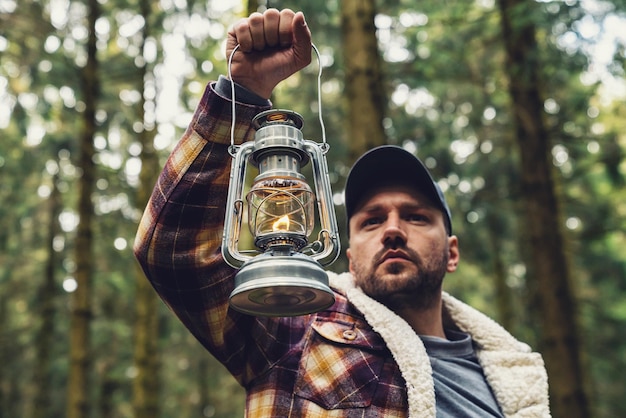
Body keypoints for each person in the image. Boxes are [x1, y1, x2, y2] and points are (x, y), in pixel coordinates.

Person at [134, 8, 550, 418]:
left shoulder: (513, 375)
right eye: (371, 220)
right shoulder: (294, 328)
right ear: (349, 255)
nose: (392, 230)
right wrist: (244, 95)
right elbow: (174, 251)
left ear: (453, 251)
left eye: (416, 217)